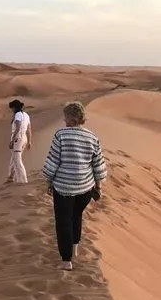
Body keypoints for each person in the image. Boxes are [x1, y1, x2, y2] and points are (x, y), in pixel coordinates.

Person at [42, 101, 107, 271]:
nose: (64, 120)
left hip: (64, 188)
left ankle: (66, 260)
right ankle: (75, 248)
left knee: (63, 222)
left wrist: (48, 180)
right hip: (85, 189)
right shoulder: (92, 137)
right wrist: (99, 187)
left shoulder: (61, 135)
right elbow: (98, 165)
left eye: (65, 117)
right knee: (76, 216)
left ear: (71, 118)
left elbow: (53, 160)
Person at [6, 99, 32, 184]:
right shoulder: (26, 115)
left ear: (14, 107)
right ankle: (11, 176)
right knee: (14, 157)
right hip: (24, 138)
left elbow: (18, 127)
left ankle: (23, 180)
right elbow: (29, 130)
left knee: (17, 160)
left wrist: (12, 140)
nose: (11, 110)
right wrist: (29, 141)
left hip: (18, 138)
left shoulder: (17, 115)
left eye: (12, 108)